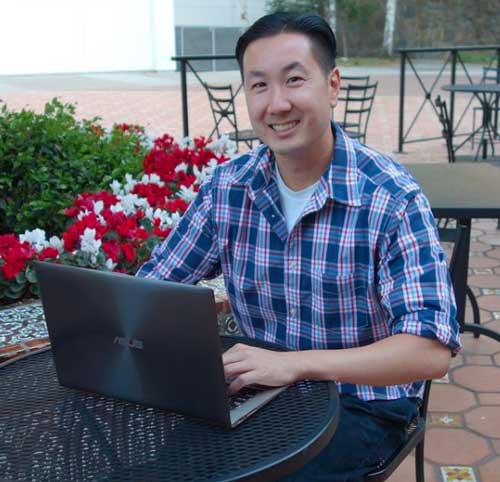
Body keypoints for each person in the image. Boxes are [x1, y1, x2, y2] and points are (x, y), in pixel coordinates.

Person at [137, 12, 461, 482]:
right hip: (255, 391)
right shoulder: (230, 187)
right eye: (259, 86)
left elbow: (429, 351)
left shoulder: (390, 197)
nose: (277, 104)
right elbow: (156, 286)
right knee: (163, 467)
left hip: (361, 403)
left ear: (331, 86)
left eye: (294, 80)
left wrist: (293, 366)